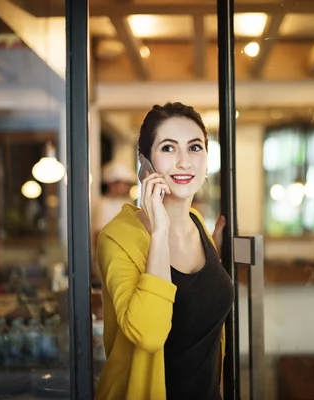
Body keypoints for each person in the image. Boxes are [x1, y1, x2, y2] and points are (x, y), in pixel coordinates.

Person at [95, 102, 232, 400]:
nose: (184, 161)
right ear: (145, 163)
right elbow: (148, 334)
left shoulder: (198, 224)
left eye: (195, 148)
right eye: (169, 149)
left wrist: (216, 260)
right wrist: (159, 232)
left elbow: (197, 303)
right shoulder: (117, 237)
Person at [91, 161, 136, 284]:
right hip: (109, 259)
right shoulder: (103, 204)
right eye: (123, 183)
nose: (125, 187)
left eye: (127, 184)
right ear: (112, 184)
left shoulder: (128, 202)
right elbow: (97, 235)